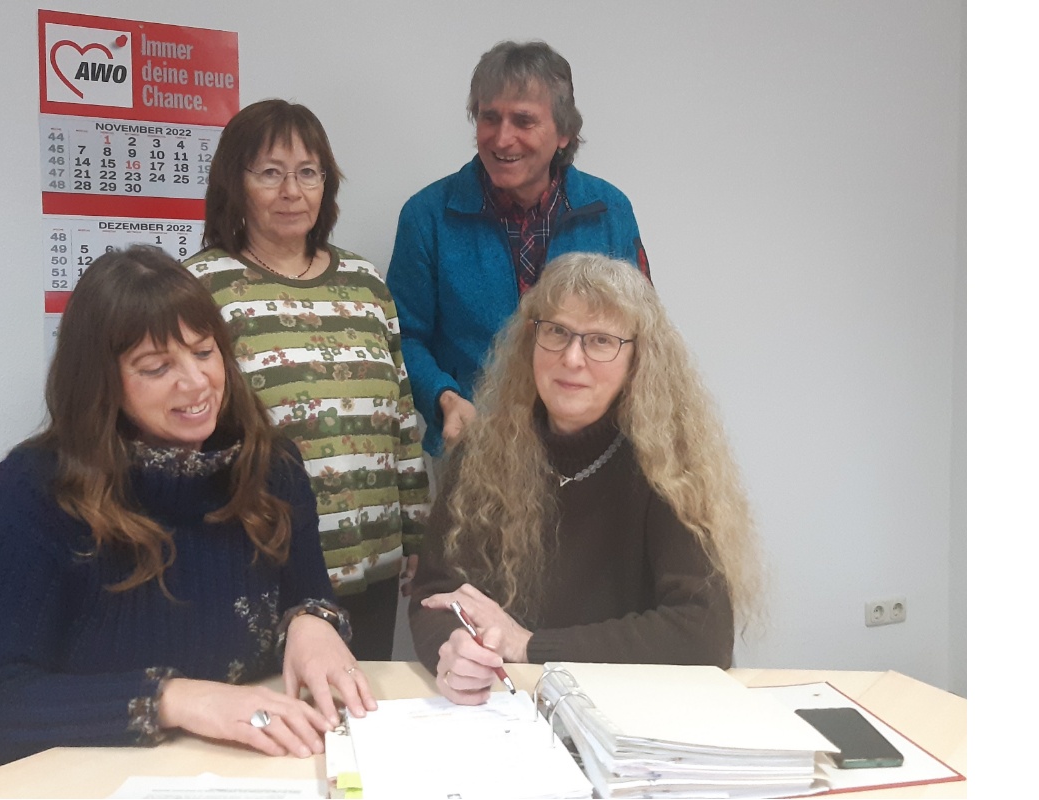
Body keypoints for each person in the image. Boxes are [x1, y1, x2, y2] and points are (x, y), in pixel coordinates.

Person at [0, 246, 376, 782]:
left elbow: (306, 594)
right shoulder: (32, 492)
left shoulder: (269, 463)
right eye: (156, 367)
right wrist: (173, 698)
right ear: (101, 382)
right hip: (86, 781)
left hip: (244, 772)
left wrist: (312, 619)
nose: (195, 383)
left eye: (204, 352)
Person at [408, 252, 763, 706]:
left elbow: (703, 635)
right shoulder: (481, 452)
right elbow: (436, 593)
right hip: (502, 708)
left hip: (628, 715)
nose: (572, 358)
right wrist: (452, 648)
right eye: (556, 332)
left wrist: (530, 646)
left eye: (600, 341)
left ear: (638, 360)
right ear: (529, 343)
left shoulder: (669, 469)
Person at [185, 99, 429, 661]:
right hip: (259, 568)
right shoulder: (200, 287)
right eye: (270, 173)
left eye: (308, 172)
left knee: (358, 725)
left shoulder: (366, 283)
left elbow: (399, 418)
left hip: (371, 563)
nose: (291, 191)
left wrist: (417, 534)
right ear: (235, 184)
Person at [387, 40, 651, 457]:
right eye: (489, 118)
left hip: (590, 450)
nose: (502, 138)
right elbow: (403, 338)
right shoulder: (427, 217)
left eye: (523, 121)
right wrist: (444, 398)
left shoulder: (610, 211)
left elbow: (640, 332)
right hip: (474, 447)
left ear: (564, 132)